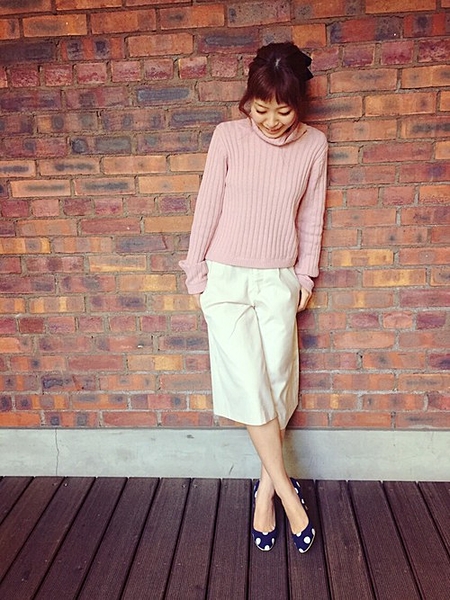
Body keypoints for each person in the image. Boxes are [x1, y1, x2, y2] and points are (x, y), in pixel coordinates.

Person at [179, 42, 328, 553]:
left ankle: (265, 488)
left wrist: (304, 276)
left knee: (279, 384)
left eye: (283, 110)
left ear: (299, 104)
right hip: (225, 280)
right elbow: (207, 206)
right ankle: (286, 496)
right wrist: (196, 273)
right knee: (248, 385)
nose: (270, 121)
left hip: (278, 280)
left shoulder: (314, 146)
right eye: (261, 109)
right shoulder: (228, 137)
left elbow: (311, 215)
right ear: (248, 101)